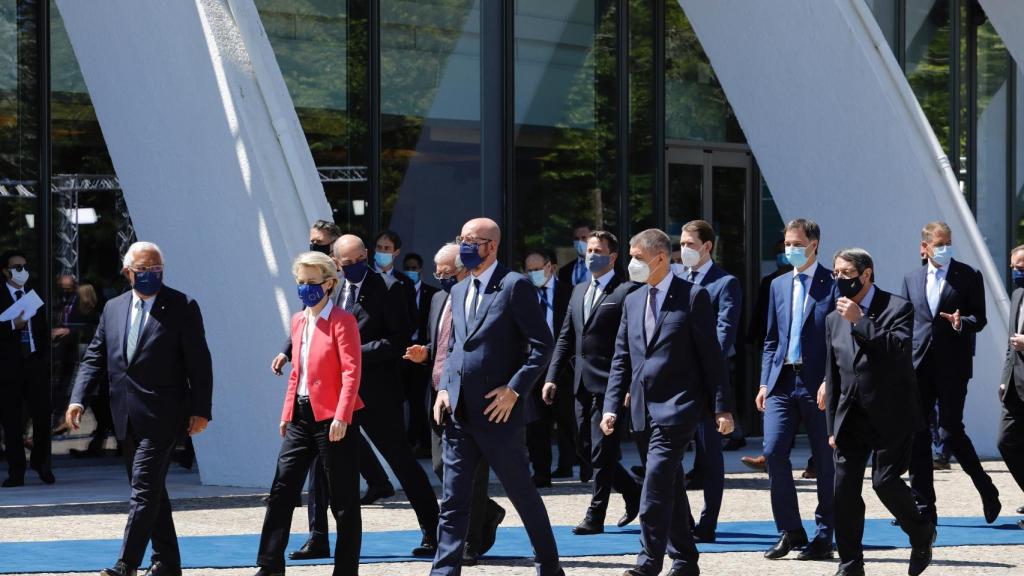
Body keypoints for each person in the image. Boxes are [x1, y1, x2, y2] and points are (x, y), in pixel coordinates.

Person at [286, 235, 439, 557]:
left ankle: (432, 530)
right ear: (336, 263)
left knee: (401, 459)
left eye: (358, 261)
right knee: (320, 466)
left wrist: (352, 353)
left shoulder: (390, 289)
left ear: (366, 256)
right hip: (330, 392)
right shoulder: (328, 287)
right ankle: (317, 538)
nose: (352, 268)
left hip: (375, 390)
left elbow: (398, 341)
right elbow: (310, 327)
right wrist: (287, 351)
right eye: (346, 263)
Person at [66, 241, 213, 576]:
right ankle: (167, 562)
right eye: (143, 269)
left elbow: (199, 363)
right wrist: (77, 398)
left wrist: (201, 409)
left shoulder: (182, 306)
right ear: (127, 271)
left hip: (164, 414)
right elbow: (95, 357)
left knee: (143, 489)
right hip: (125, 415)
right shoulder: (113, 308)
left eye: (156, 269)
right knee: (151, 490)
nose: (151, 275)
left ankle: (126, 564)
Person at [431, 217, 564, 576]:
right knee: (454, 501)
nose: (465, 246)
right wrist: (444, 387)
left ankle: (550, 566)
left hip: (497, 414)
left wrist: (515, 389)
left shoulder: (514, 286)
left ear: (492, 245)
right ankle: (443, 571)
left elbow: (542, 346)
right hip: (459, 413)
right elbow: (456, 346)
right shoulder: (458, 290)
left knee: (522, 494)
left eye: (472, 240)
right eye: (462, 239)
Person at [601, 228, 728, 576]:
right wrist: (612, 405)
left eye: (637, 257)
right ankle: (686, 560)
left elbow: (711, 357)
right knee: (669, 482)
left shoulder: (693, 296)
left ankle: (647, 564)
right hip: (642, 408)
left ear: (659, 258)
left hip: (679, 406)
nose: (631, 264)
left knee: (655, 481)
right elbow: (622, 357)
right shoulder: (632, 299)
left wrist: (722, 407)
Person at [824, 248, 935, 576]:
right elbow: (834, 375)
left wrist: (861, 321)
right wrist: (832, 424)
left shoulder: (898, 307)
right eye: (836, 273)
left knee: (884, 482)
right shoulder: (833, 318)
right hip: (850, 417)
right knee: (843, 493)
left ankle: (921, 531)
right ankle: (850, 565)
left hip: (892, 414)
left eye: (846, 273)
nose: (840, 279)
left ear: (866, 274)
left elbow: (898, 351)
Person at [254, 251, 363, 576]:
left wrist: (343, 415)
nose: (305, 289)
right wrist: (287, 412)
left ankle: (346, 570)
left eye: (311, 283)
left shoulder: (344, 321)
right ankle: (270, 565)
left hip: (334, 419)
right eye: (300, 283)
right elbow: (297, 373)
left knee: (342, 500)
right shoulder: (299, 320)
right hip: (301, 417)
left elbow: (351, 372)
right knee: (282, 490)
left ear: (329, 283)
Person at [404, 243, 505, 565]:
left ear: (464, 270)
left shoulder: (480, 299)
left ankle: (470, 543)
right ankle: (488, 512)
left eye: (448, 273)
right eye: (438, 273)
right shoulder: (437, 299)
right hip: (438, 395)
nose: (442, 278)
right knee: (441, 467)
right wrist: (427, 352)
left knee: (471, 473)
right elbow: (447, 342)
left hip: (469, 396)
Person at [542, 230, 641, 536]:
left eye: (598, 250)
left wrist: (626, 386)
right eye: (588, 250)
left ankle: (595, 514)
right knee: (584, 448)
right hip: (581, 384)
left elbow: (632, 343)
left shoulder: (626, 291)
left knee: (602, 449)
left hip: (611, 384)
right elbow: (565, 338)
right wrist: (552, 377)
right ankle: (632, 490)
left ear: (612, 257)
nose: (591, 255)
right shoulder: (579, 290)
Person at [901, 221, 999, 525]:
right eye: (939, 243)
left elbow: (979, 317)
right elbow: (906, 321)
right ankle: (924, 505)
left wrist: (960, 323)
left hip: (952, 366)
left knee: (949, 430)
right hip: (918, 365)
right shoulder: (911, 279)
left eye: (948, 242)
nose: (945, 248)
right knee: (918, 432)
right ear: (924, 247)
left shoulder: (967, 275)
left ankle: (986, 488)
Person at [757, 218, 835, 561]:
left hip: (818, 384)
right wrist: (764, 381)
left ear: (814, 244)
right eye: (787, 243)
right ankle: (790, 530)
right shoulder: (776, 285)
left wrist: (830, 381)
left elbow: (838, 342)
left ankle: (824, 534)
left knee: (825, 461)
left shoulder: (832, 284)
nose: (790, 249)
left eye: (796, 243)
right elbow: (772, 339)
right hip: (782, 382)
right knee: (773, 452)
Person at [675, 220, 739, 542]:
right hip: (678, 381)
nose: (684, 249)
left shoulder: (724, 283)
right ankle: (682, 519)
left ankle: (708, 522)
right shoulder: (676, 279)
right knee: (670, 452)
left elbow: (725, 331)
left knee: (710, 454)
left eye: (690, 243)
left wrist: (704, 364)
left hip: (709, 380)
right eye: (682, 243)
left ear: (707, 246)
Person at [524, 249, 578, 487]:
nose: (534, 274)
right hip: (534, 366)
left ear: (551, 267)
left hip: (564, 365)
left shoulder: (570, 292)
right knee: (536, 423)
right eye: (530, 270)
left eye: (538, 269)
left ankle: (575, 465)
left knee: (568, 418)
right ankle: (541, 471)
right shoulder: (523, 294)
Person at [0, 249, 54, 487]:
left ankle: (40, 462)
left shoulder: (33, 295)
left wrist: (42, 356)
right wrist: (13, 324)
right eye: (17, 267)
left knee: (43, 415)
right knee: (11, 420)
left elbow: (41, 329)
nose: (22, 271)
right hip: (9, 365)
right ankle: (16, 471)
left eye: (24, 266)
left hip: (33, 362)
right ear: (5, 271)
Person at [741, 240, 791, 471]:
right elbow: (763, 314)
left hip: (809, 362)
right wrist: (751, 337)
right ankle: (768, 453)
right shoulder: (772, 282)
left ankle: (815, 462)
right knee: (773, 410)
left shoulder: (822, 283)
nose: (787, 254)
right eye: (783, 249)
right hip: (778, 354)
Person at [402, 251, 437, 456]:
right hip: (404, 351)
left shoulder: (431, 293)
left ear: (421, 269)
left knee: (417, 399)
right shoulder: (399, 289)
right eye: (407, 268)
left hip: (423, 352)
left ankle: (420, 441)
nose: (410, 272)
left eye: (414, 268)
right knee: (402, 398)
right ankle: (409, 439)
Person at [1000, 244, 1024, 531]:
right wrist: (1004, 378)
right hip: (1015, 386)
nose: (1016, 271)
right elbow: (1010, 345)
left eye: (1020, 266)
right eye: (1013, 267)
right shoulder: (1017, 294)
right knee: (1005, 441)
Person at [557, 221, 593, 287]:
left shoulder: (608, 266)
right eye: (576, 239)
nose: (580, 242)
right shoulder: (564, 271)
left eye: (584, 237)